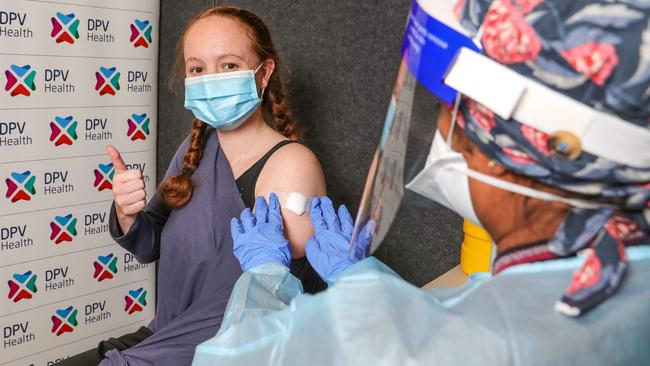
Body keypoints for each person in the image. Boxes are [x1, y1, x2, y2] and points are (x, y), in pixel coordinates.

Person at [191, 0, 650, 365]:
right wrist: (362, 279)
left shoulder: (494, 341)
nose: (451, 145)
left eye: (455, 126)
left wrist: (265, 279)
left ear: (521, 154)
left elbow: (236, 359)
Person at [57, 6, 326, 366]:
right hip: (163, 335)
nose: (211, 79)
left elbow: (260, 312)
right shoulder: (194, 150)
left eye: (228, 65)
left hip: (222, 354)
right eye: (197, 68)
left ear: (264, 73)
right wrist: (127, 212)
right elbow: (149, 243)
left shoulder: (292, 165)